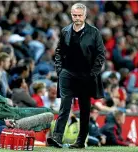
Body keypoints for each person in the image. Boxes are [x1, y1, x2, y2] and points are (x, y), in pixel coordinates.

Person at [47, 3, 105, 149]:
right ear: (71, 14)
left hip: (86, 74)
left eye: (79, 15)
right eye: (74, 15)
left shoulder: (94, 32)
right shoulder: (65, 31)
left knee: (85, 109)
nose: (77, 18)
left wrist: (93, 73)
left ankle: (80, 141)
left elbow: (100, 54)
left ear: (85, 16)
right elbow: (59, 51)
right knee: (65, 105)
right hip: (67, 72)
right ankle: (57, 138)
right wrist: (59, 70)